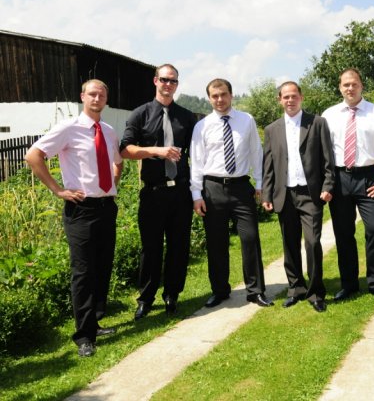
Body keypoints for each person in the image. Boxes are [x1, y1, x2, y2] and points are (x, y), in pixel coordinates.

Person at [25, 79, 122, 357]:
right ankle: (84, 336)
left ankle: (94, 323)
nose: (97, 98)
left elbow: (117, 161)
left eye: (101, 95)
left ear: (106, 99)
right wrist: (58, 190)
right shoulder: (68, 128)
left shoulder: (108, 130)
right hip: (81, 209)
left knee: (102, 267)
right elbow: (33, 156)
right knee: (83, 271)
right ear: (83, 97)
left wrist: (112, 186)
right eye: (92, 94)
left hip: (106, 207)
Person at [120, 64, 198, 320]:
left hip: (181, 193)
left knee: (179, 246)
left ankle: (172, 295)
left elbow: (198, 154)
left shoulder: (187, 117)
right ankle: (146, 298)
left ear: (177, 85)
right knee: (151, 248)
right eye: (164, 79)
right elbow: (125, 150)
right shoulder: (140, 114)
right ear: (155, 81)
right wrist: (156, 151)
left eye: (173, 81)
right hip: (153, 193)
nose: (168, 84)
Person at [190, 78, 272, 309]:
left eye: (223, 94)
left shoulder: (247, 120)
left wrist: (260, 183)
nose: (220, 99)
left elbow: (256, 153)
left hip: (241, 188)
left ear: (231, 95)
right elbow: (196, 162)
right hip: (212, 188)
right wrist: (196, 195)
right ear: (209, 99)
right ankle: (219, 290)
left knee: (250, 238)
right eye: (214, 96)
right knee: (216, 243)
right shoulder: (202, 126)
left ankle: (255, 291)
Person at [322, 68, 374, 303]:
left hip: (369, 178)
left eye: (354, 84)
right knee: (344, 233)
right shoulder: (329, 115)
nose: (350, 88)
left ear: (361, 85)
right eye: (346, 84)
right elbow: (321, 151)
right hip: (339, 179)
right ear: (340, 87)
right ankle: (349, 284)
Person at [262, 81, 335, 313]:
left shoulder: (317, 123)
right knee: (290, 243)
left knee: (312, 242)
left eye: (294, 96)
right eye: (286, 97)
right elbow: (268, 166)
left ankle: (315, 292)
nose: (290, 100)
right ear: (280, 100)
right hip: (284, 194)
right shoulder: (272, 129)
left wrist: (328, 185)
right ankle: (295, 288)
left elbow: (328, 158)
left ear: (301, 97)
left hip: (310, 193)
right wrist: (266, 193)